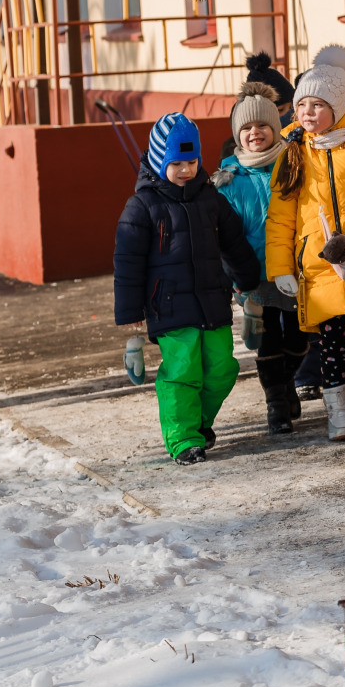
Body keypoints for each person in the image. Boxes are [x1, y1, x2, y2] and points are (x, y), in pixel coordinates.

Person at [113, 112, 261, 464]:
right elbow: (127, 261)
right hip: (168, 306)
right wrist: (131, 312)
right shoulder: (142, 206)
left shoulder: (210, 199)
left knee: (224, 368)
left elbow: (234, 243)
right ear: (158, 160)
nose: (185, 170)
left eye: (191, 161)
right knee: (183, 373)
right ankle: (183, 439)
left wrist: (248, 279)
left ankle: (198, 423)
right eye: (176, 163)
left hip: (212, 300)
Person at [265, 45, 345, 442]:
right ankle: (338, 411)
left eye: (317, 105)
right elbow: (281, 214)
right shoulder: (292, 153)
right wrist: (281, 268)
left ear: (337, 109)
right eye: (302, 104)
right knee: (332, 345)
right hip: (318, 265)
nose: (306, 112)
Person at [211, 58, 305, 433]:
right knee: (268, 341)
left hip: (293, 268)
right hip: (252, 273)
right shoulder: (228, 179)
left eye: (263, 126)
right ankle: (276, 404)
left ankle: (286, 382)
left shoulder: (294, 162)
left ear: (275, 127)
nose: (255, 133)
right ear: (237, 133)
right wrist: (235, 276)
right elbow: (223, 234)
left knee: (300, 336)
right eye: (246, 128)